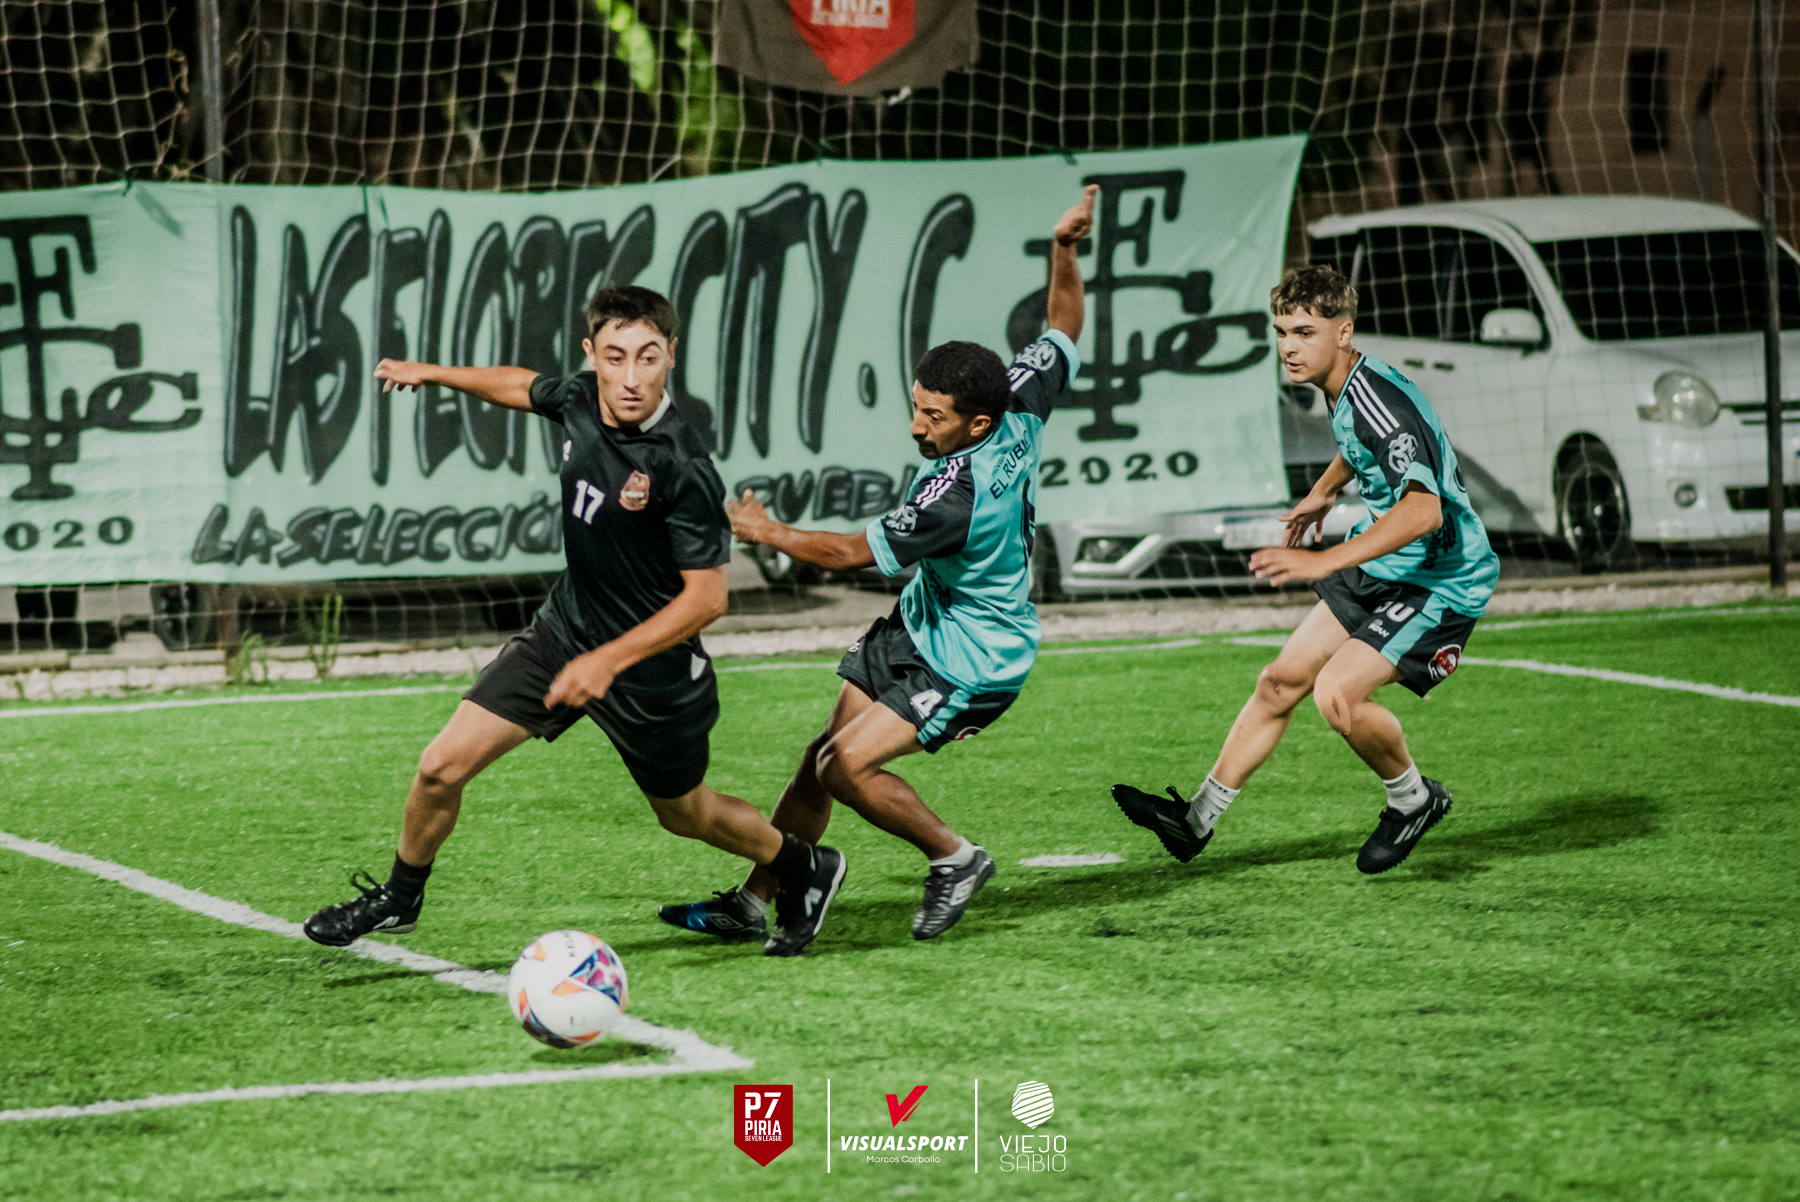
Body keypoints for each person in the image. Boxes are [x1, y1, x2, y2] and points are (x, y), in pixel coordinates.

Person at [302, 285, 845, 957]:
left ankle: (803, 866)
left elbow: (707, 599)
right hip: (564, 633)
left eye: (647, 357)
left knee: (686, 814)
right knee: (440, 767)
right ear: (591, 354)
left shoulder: (682, 465)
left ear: (671, 356)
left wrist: (608, 661)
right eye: (614, 357)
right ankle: (400, 896)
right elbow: (523, 385)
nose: (630, 377)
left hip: (653, 675)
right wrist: (434, 374)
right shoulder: (583, 398)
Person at [659, 185, 1096, 949]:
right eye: (917, 405)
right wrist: (1064, 249)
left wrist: (764, 529)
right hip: (921, 627)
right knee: (817, 759)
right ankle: (756, 901)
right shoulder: (1020, 400)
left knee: (843, 767)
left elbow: (849, 554)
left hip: (975, 659)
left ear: (977, 423)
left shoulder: (957, 497)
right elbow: (1062, 326)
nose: (916, 425)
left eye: (934, 416)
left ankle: (955, 857)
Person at [1112, 264, 1498, 874]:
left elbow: (1424, 511)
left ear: (1343, 332)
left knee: (1337, 694)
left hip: (1440, 578)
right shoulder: (1345, 383)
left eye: (1304, 332)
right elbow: (1360, 443)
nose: (1288, 347)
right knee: (1279, 681)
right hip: (1387, 563)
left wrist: (1323, 559)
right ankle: (1195, 821)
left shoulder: (1379, 402)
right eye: (1281, 331)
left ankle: (1413, 799)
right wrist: (1324, 489)